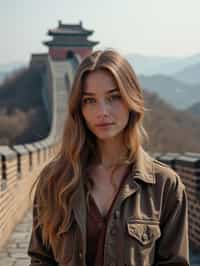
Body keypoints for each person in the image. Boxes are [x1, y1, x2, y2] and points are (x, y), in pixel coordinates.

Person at [27, 49, 189, 266]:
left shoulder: (164, 186)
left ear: (131, 100)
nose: (102, 111)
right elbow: (41, 259)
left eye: (113, 97)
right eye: (89, 100)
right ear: (79, 108)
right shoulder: (54, 180)